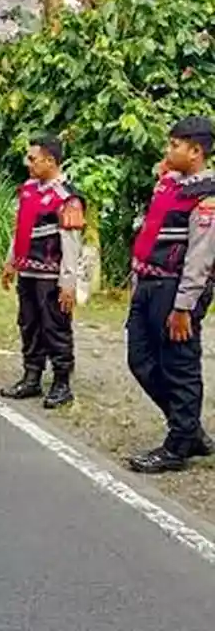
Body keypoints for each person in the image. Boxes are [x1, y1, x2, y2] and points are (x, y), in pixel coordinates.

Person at [125, 117, 215, 473]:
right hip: (147, 285)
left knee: (180, 366)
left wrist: (183, 307)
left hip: (174, 290)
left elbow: (200, 258)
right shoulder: (170, 185)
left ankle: (178, 446)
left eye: (175, 145)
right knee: (140, 359)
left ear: (196, 151)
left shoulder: (205, 197)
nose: (168, 150)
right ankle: (188, 429)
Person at [0, 134, 84, 409]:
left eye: (33, 158)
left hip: (51, 276)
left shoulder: (67, 198)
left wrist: (68, 284)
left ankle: (62, 383)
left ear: (50, 160)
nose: (29, 163)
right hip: (28, 272)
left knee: (55, 328)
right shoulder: (29, 189)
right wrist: (11, 261)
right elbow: (20, 229)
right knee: (29, 325)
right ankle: (31, 376)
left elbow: (71, 245)